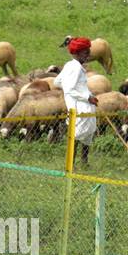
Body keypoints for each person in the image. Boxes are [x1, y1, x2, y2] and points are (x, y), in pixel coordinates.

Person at [54, 37, 98, 166]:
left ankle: (82, 163)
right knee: (78, 135)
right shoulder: (76, 68)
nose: (88, 55)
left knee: (84, 134)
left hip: (77, 105)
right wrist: (87, 97)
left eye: (88, 52)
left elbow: (57, 82)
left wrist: (82, 92)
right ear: (77, 53)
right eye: (85, 53)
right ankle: (72, 164)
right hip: (80, 107)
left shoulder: (69, 65)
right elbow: (70, 89)